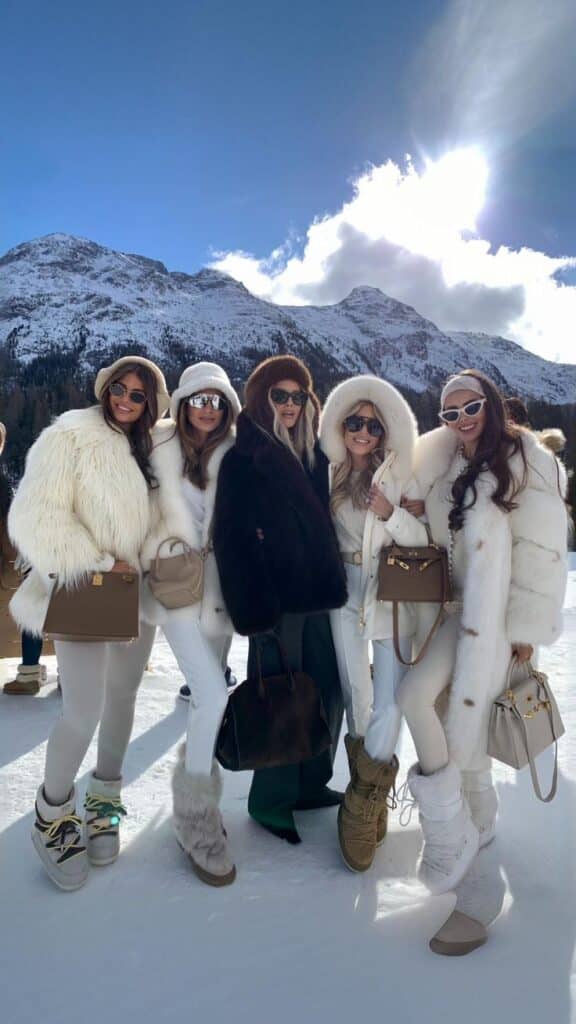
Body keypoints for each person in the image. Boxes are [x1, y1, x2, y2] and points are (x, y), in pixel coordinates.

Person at [396, 369, 568, 894]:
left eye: (471, 407)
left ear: (491, 403)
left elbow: (542, 550)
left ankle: (461, 829)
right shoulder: (449, 462)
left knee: (446, 711)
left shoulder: (529, 462)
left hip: (493, 618)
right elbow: (444, 535)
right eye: (451, 413)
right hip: (449, 612)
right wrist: (416, 510)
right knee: (438, 706)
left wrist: (524, 629)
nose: (463, 419)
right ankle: (469, 821)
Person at [8, 356, 169, 891]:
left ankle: (103, 801)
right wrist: (98, 562)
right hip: (86, 589)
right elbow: (34, 515)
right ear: (105, 388)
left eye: (138, 395)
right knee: (82, 710)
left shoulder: (153, 448)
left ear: (151, 404)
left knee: (122, 700)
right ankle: (52, 814)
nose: (125, 399)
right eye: (119, 388)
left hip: (137, 596)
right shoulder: (70, 436)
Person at [212, 355, 347, 844]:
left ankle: (311, 783)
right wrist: (253, 610)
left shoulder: (315, 454)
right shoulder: (243, 457)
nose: (289, 405)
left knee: (327, 692)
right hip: (274, 602)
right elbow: (231, 540)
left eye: (297, 396)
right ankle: (270, 800)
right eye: (279, 395)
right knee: (279, 697)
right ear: (260, 398)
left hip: (318, 595)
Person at [319, 376, 427, 872]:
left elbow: (422, 538)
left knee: (389, 699)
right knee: (356, 696)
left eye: (373, 425)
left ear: (386, 432)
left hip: (390, 592)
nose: (363, 432)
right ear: (341, 426)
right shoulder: (328, 472)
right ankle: (372, 794)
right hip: (342, 590)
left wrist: (390, 513)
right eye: (355, 422)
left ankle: (362, 803)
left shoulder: (401, 476)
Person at [140, 362, 241, 886]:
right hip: (175, 585)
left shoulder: (235, 452)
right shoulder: (157, 445)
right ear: (182, 404)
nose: (208, 409)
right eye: (199, 399)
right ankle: (194, 817)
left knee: (208, 699)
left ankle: (199, 786)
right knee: (213, 694)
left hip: (220, 591)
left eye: (217, 400)